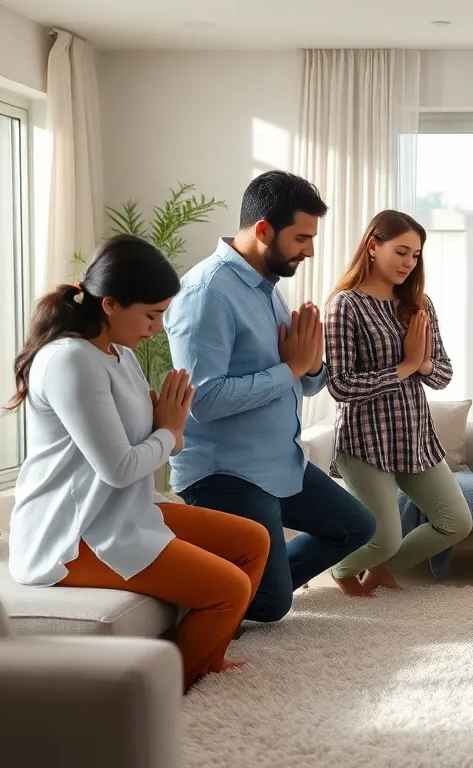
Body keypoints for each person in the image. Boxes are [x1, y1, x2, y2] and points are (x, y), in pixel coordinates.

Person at [7, 234, 270, 691]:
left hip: (121, 507)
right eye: (151, 314)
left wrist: (167, 430)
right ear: (110, 304)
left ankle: (206, 656)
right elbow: (121, 466)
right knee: (229, 589)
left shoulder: (120, 355)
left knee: (253, 540)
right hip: (74, 531)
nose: (158, 326)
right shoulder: (71, 361)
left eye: (163, 313)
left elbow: (149, 444)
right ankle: (165, 690)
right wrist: (170, 432)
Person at [165, 171, 377, 615]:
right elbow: (203, 401)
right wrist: (291, 368)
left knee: (356, 527)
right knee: (273, 605)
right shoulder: (207, 294)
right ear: (264, 230)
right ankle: (230, 586)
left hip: (280, 462)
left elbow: (305, 379)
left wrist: (312, 364)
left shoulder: (268, 288)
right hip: (226, 472)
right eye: (301, 238)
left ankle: (249, 577)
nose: (310, 250)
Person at [323, 210, 471, 593]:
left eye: (416, 255)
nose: (409, 262)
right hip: (364, 443)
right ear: (373, 246)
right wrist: (405, 366)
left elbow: (442, 374)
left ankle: (379, 568)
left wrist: (421, 363)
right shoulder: (344, 305)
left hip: (414, 437)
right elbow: (340, 386)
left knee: (456, 522)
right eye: (401, 251)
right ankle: (340, 569)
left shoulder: (420, 305)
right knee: (384, 537)